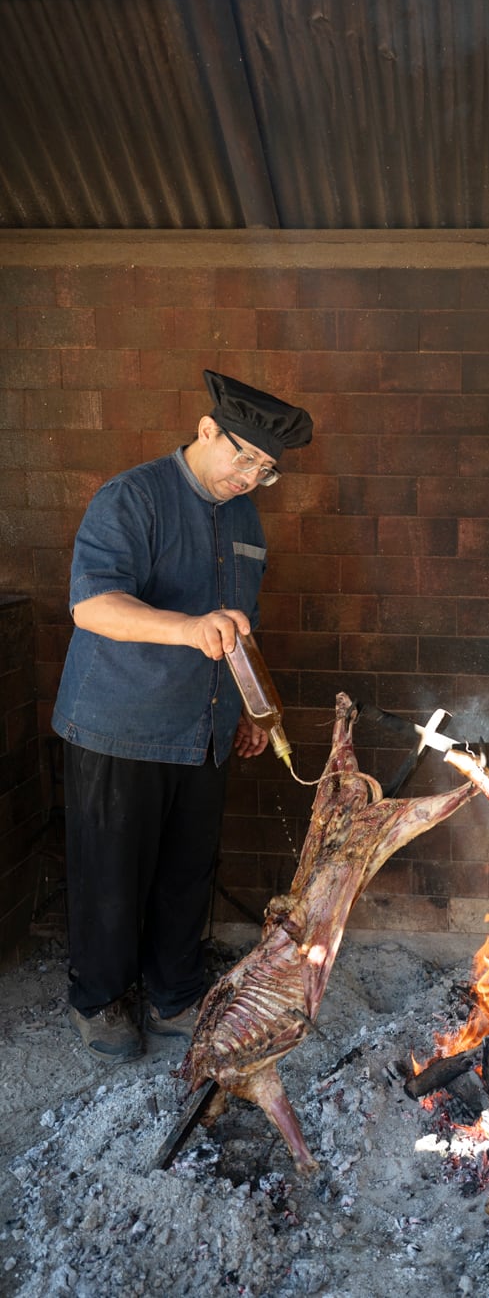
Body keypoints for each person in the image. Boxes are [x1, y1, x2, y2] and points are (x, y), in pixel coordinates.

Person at [51, 369, 313, 1064]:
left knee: (187, 868)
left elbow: (241, 625)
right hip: (118, 721)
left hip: (204, 727)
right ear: (206, 431)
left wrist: (257, 706)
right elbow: (93, 606)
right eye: (244, 457)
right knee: (111, 869)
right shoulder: (132, 497)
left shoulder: (245, 517)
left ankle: (174, 992)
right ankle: (99, 997)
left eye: (266, 469)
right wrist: (189, 629)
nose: (252, 476)